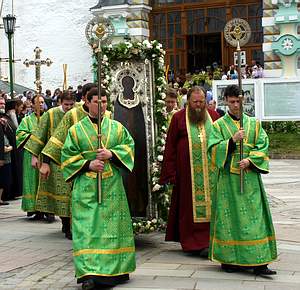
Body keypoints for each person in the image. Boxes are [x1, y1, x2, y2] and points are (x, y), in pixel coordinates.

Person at [61, 88, 135, 289]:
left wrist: (111, 153)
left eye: (104, 101)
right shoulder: (76, 130)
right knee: (87, 231)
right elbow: (66, 157)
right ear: (86, 102)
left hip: (112, 188)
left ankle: (116, 271)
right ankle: (88, 274)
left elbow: (129, 147)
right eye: (96, 101)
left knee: (113, 230)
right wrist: (88, 164)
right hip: (86, 188)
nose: (101, 105)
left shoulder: (117, 128)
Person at [208, 84, 277, 276]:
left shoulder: (254, 124)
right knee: (230, 220)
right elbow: (212, 151)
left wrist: (250, 159)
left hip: (250, 179)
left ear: (243, 100)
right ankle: (230, 259)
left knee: (255, 219)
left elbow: (263, 144)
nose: (236, 105)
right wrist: (231, 141)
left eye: (238, 101)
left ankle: (260, 261)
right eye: (232, 102)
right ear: (226, 102)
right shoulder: (219, 125)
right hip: (229, 181)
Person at [159, 86, 217, 257]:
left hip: (211, 172)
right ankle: (193, 243)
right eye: (195, 102)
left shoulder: (213, 116)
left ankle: (210, 241)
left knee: (213, 206)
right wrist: (170, 172)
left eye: (201, 102)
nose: (198, 105)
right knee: (188, 208)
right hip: (187, 175)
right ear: (188, 102)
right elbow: (170, 146)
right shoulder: (178, 118)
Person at [25, 92, 75, 236]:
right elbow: (40, 134)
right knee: (61, 194)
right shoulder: (51, 114)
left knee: (71, 195)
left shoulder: (76, 114)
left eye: (72, 105)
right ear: (59, 102)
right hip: (54, 159)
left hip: (72, 159)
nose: (69, 108)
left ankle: (69, 225)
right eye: (66, 105)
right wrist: (35, 155)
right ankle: (66, 223)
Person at [42, 83, 97, 165]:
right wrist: (45, 162)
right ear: (84, 98)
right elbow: (57, 137)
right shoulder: (69, 114)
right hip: (74, 160)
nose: (69, 107)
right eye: (66, 104)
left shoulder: (107, 114)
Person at [16, 96, 45, 219]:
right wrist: (34, 136)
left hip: (46, 154)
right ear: (32, 105)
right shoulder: (27, 120)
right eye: (38, 103)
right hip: (30, 154)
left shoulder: (49, 118)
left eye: (43, 102)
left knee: (46, 181)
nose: (41, 105)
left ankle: (48, 210)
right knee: (32, 181)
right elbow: (20, 134)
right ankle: (35, 209)